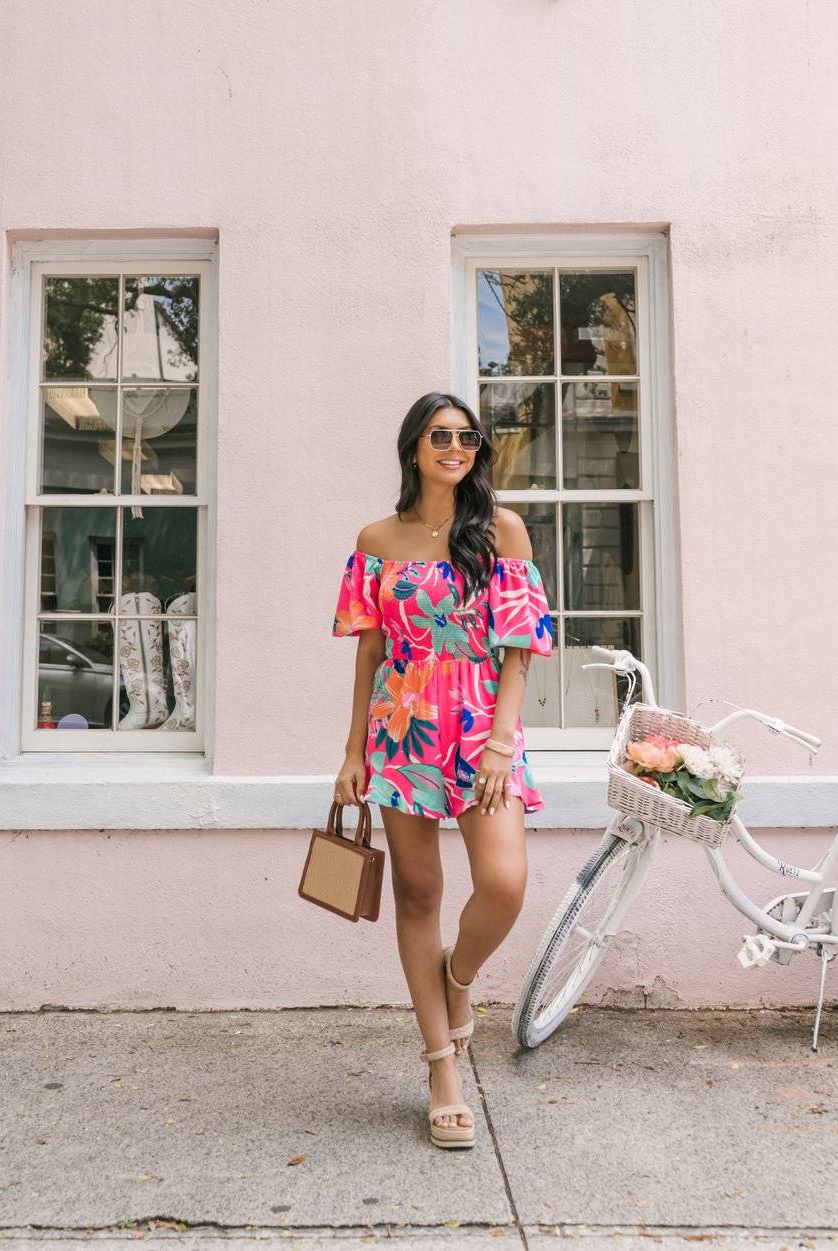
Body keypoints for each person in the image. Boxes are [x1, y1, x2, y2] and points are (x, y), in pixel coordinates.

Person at [332, 392, 553, 1150]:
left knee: (503, 882)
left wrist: (499, 740)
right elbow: (367, 650)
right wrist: (354, 749)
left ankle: (457, 978)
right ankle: (441, 1070)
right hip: (400, 726)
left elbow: (519, 648)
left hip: (482, 724)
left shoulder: (501, 531)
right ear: (414, 448)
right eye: (440, 435)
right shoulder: (376, 537)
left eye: (466, 437)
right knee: (418, 891)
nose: (455, 447)